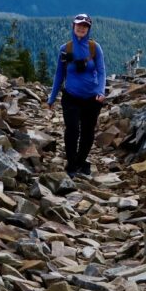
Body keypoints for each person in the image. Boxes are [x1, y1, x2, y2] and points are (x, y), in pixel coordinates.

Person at [45, 13, 106, 177]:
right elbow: (59, 74)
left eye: (85, 26)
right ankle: (72, 165)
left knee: (88, 132)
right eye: (79, 25)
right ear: (73, 26)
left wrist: (101, 91)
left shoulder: (95, 48)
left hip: (92, 98)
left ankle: (81, 161)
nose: (81, 28)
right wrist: (51, 98)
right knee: (72, 129)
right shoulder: (65, 49)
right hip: (71, 96)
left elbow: (101, 72)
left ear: (89, 29)